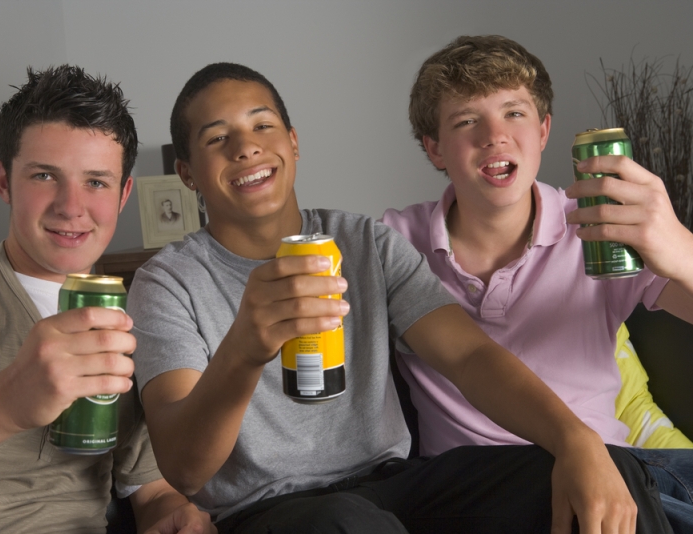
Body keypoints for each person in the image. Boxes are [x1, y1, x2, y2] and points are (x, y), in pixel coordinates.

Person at [127, 61, 672, 533]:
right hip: (271, 510)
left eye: (262, 125)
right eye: (217, 138)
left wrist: (576, 440)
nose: (246, 147)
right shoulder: (167, 282)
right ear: (186, 173)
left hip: (397, 486)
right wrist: (244, 350)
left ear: (292, 142)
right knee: (345, 522)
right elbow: (187, 468)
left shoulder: (366, 242)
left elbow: (469, 355)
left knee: (599, 471)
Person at [381, 34, 693, 531]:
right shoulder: (393, 242)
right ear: (435, 148)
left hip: (618, 473)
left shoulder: (600, 226)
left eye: (514, 113)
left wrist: (680, 247)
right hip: (478, 491)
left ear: (544, 130)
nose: (494, 136)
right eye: (467, 121)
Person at [0, 65, 213, 534]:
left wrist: (171, 511)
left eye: (96, 182)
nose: (71, 205)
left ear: (124, 194)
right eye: (44, 175)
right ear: (4, 181)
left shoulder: (135, 316)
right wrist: (7, 401)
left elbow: (148, 487)